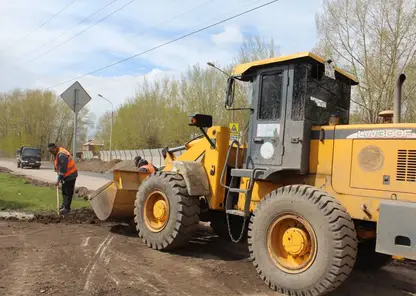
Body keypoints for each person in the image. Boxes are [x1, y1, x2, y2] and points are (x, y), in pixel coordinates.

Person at [47, 143, 78, 215]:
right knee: (64, 191)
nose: (51, 153)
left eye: (51, 151)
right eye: (49, 152)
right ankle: (63, 206)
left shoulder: (62, 155)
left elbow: (62, 170)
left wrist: (58, 180)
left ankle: (66, 208)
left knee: (68, 192)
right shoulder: (58, 153)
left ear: (55, 148)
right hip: (66, 175)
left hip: (70, 175)